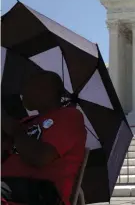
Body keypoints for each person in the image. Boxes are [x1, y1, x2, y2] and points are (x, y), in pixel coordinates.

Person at [1, 70, 87, 205]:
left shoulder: (69, 117)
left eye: (29, 85)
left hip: (42, 192)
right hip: (9, 187)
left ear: (48, 90)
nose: (23, 90)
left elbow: (40, 157)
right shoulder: (27, 121)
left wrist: (16, 131)